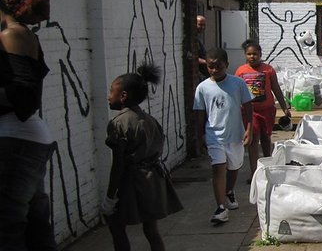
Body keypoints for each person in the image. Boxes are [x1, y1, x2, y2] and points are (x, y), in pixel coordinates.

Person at [0, 0, 57, 250]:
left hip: (15, 141)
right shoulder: (18, 33)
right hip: (24, 141)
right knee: (34, 226)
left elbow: (24, 98)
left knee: (9, 227)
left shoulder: (12, 35)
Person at [103, 64, 183, 251]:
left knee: (115, 224)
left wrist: (110, 196)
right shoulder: (149, 119)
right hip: (153, 178)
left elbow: (118, 163)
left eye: (111, 91)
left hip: (133, 181)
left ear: (123, 96)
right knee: (151, 228)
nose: (108, 96)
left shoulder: (119, 123)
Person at [193, 48, 253, 224]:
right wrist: (200, 136)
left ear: (226, 65)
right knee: (218, 168)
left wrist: (249, 129)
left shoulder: (238, 84)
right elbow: (199, 113)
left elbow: (248, 107)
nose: (214, 70)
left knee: (233, 168)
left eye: (218, 66)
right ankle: (221, 207)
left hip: (235, 135)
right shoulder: (202, 88)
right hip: (214, 136)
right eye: (211, 67)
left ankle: (228, 192)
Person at [235, 39, 290, 184]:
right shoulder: (241, 71)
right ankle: (254, 172)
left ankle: (269, 168)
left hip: (267, 110)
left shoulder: (268, 69)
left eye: (255, 54)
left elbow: (276, 88)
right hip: (249, 112)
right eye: (249, 54)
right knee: (252, 141)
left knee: (266, 139)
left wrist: (284, 107)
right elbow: (236, 92)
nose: (252, 57)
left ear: (260, 54)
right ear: (245, 55)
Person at [196, 15, 209, 80]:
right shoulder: (191, 40)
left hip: (204, 74)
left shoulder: (199, 38)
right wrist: (206, 62)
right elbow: (192, 57)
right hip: (199, 74)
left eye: (204, 25)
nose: (202, 27)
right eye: (200, 25)